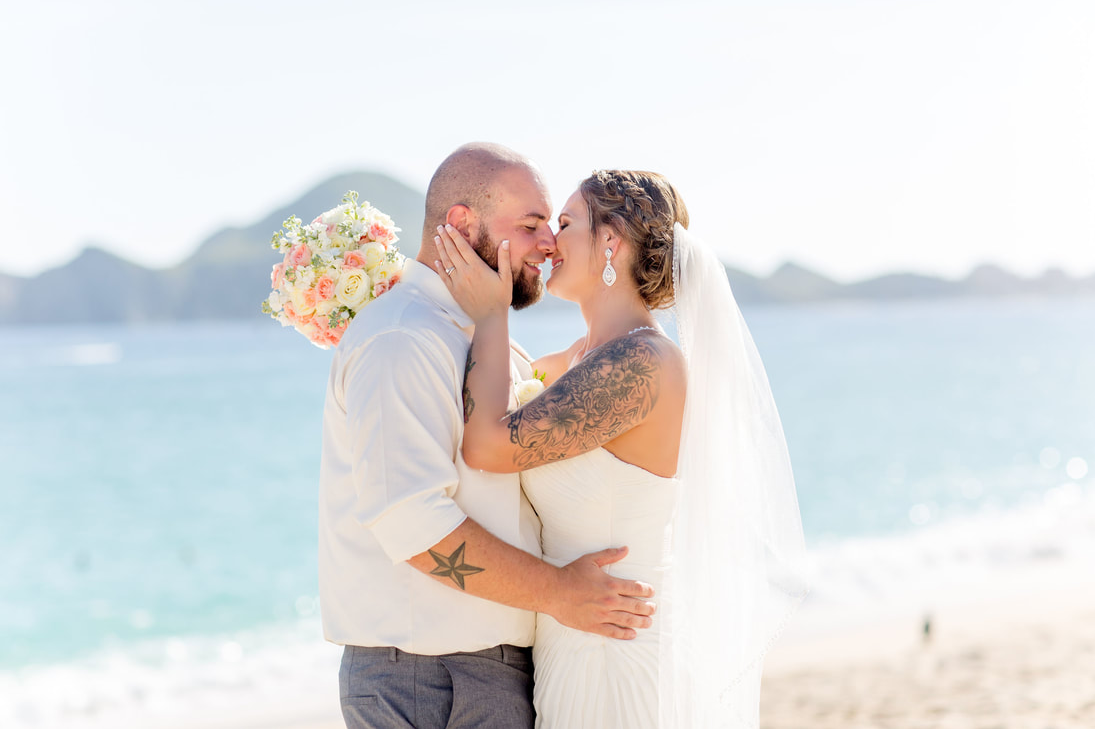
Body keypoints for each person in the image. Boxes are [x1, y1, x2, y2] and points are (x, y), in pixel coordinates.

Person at [434, 169, 808, 728]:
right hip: (568, 640)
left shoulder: (643, 364)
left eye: (565, 224)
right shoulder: (569, 362)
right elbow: (492, 384)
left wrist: (493, 312)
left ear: (610, 241)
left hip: (618, 646)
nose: (550, 242)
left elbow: (487, 446)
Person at [318, 145, 658, 729]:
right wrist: (560, 593)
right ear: (461, 223)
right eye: (530, 226)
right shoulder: (403, 338)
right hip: (429, 678)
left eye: (552, 226)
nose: (548, 243)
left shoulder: (481, 337)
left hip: (478, 673)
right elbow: (409, 518)